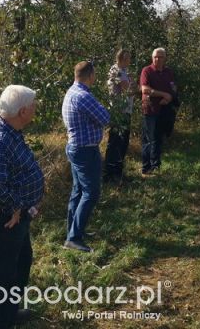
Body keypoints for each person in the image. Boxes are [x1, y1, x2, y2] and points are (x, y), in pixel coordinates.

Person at [0, 86, 44, 329]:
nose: (35, 109)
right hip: (5, 220)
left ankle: (9, 313)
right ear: (23, 111)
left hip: (16, 218)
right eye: (33, 106)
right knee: (1, 275)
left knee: (20, 262)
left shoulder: (7, 129)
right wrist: (14, 207)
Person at [62, 61, 110, 252]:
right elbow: (105, 117)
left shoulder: (71, 92)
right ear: (90, 75)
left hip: (76, 147)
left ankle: (74, 231)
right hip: (85, 151)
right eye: (94, 74)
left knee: (78, 191)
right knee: (91, 192)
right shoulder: (83, 96)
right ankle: (73, 238)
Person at [139, 48, 177, 174]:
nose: (157, 59)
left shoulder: (168, 72)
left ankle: (156, 165)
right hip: (150, 109)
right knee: (148, 139)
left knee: (159, 138)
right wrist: (163, 94)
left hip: (164, 110)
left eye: (160, 57)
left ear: (165, 58)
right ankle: (146, 167)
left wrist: (169, 97)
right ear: (152, 57)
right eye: (155, 56)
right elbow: (145, 89)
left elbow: (173, 89)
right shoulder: (147, 71)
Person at [104, 49, 135, 184]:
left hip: (124, 111)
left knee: (121, 142)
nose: (130, 61)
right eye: (128, 58)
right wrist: (133, 86)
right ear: (122, 59)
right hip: (119, 112)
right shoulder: (117, 71)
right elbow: (128, 89)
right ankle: (112, 173)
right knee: (117, 142)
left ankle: (117, 171)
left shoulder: (123, 71)